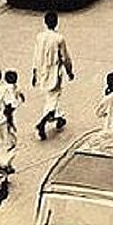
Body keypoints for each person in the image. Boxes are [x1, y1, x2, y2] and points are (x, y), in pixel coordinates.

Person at [31, 11, 74, 140]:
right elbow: (65, 57)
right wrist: (69, 71)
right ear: (56, 23)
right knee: (54, 98)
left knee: (51, 98)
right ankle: (42, 123)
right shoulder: (59, 39)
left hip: (42, 72)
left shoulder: (39, 37)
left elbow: (36, 55)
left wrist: (34, 73)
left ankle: (59, 117)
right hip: (54, 73)